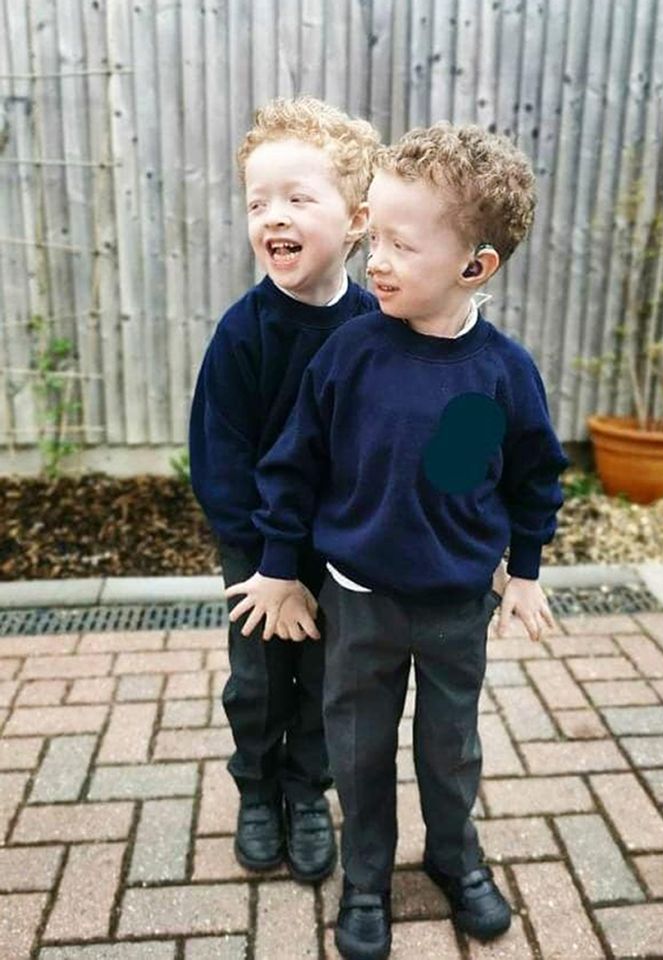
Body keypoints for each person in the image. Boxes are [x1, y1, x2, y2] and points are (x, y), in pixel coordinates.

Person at [226, 123, 569, 960]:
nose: (373, 258)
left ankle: (455, 857)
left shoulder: (502, 373)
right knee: (360, 748)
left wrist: (522, 571)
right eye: (371, 234)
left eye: (398, 244)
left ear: (475, 266)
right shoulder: (349, 353)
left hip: (454, 607)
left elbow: (530, 477)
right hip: (360, 601)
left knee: (450, 751)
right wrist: (277, 565)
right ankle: (368, 879)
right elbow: (291, 466)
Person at [189, 96, 380, 884]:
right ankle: (258, 790)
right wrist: (268, 567)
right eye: (258, 202)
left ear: (359, 218)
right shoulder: (245, 333)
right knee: (260, 679)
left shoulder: (377, 328)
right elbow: (220, 461)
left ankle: (309, 792)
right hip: (257, 553)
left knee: (329, 683)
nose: (274, 216)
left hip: (338, 551)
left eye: (299, 198)